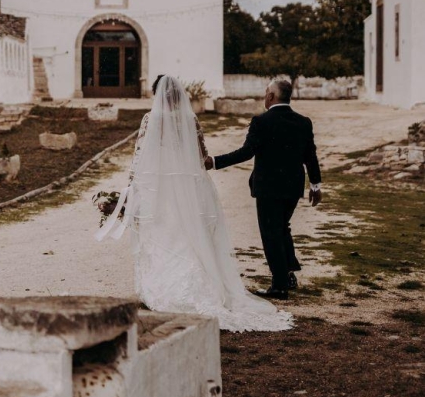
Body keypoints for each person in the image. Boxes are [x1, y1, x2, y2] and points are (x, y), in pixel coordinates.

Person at [97, 75, 292, 332]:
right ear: (179, 96)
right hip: (187, 188)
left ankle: (159, 287)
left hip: (159, 189)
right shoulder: (190, 119)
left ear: (158, 96)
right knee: (188, 236)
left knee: (162, 235)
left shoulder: (149, 120)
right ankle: (195, 284)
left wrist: (130, 189)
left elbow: (139, 159)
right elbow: (201, 156)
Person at [205, 78, 322, 301]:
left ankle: (279, 286)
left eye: (266, 92)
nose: (264, 96)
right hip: (293, 186)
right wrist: (315, 185)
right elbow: (311, 156)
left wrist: (214, 161)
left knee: (271, 233)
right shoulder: (303, 122)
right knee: (282, 227)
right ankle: (287, 275)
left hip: (269, 187)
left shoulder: (261, 121)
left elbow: (246, 152)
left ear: (271, 97)